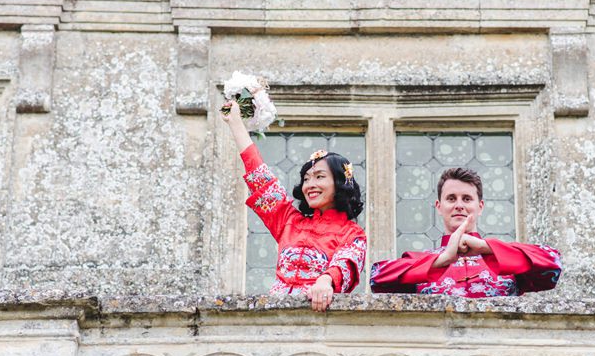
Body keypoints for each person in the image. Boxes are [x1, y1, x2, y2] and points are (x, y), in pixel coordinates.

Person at [221, 100, 366, 310]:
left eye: (319, 177)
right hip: (275, 315)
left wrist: (325, 281)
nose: (310, 185)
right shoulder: (288, 221)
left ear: (340, 183)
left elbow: (345, 263)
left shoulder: (353, 234)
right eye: (306, 179)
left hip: (318, 319)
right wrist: (235, 123)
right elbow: (261, 176)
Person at [369, 167, 562, 297]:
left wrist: (486, 248)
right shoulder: (419, 260)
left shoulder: (508, 260)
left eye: (467, 199)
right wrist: (442, 260)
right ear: (439, 206)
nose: (459, 205)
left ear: (480, 206)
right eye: (451, 199)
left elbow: (553, 263)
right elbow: (377, 278)